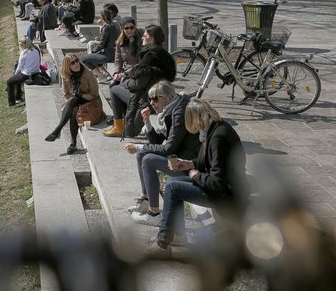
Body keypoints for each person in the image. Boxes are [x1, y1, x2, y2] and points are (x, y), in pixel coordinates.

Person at [146, 98, 250, 255]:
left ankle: (162, 244)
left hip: (227, 194)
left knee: (173, 187)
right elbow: (211, 162)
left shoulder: (218, 137)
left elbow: (217, 182)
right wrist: (190, 164)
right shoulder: (215, 128)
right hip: (223, 187)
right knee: (172, 185)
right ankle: (175, 236)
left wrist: (195, 176)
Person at [124, 81, 201, 225]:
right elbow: (160, 142)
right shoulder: (172, 108)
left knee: (147, 159)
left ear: (167, 96)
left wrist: (139, 146)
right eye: (150, 99)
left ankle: (154, 214)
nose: (152, 103)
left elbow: (168, 148)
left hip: (191, 164)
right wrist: (147, 122)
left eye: (155, 98)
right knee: (143, 155)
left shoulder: (179, 113)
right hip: (182, 156)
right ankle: (146, 200)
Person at [102, 24, 176, 138]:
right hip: (158, 94)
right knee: (119, 85)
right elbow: (138, 68)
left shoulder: (150, 56)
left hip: (147, 98)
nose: (142, 38)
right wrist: (124, 74)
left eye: (145, 36)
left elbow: (137, 84)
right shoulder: (161, 53)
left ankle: (119, 126)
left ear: (151, 39)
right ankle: (123, 123)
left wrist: (124, 81)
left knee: (114, 89)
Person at [44, 54, 102, 154]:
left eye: (77, 61)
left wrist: (81, 95)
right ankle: (73, 143)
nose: (76, 64)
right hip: (75, 100)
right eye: (72, 63)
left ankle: (58, 131)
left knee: (73, 101)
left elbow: (94, 94)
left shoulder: (87, 73)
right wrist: (76, 96)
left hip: (91, 103)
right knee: (74, 109)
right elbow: (66, 94)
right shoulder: (65, 75)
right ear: (68, 66)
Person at [80, 9, 118, 82]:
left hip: (108, 54)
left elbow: (102, 44)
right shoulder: (112, 26)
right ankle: (101, 74)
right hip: (111, 52)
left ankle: (100, 76)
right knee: (91, 52)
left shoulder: (107, 27)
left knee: (84, 59)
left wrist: (93, 52)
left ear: (102, 17)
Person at [6, 37, 41, 107]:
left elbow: (19, 67)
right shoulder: (35, 50)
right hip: (36, 71)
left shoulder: (24, 53)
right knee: (17, 78)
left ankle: (11, 103)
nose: (20, 46)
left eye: (21, 44)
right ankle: (18, 97)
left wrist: (15, 75)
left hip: (27, 74)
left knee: (9, 82)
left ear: (24, 44)